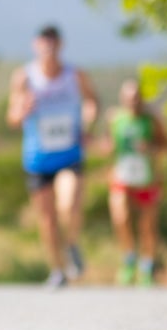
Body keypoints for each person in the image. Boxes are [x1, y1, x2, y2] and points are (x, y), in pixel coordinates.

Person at [6, 25, 98, 288]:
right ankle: (57, 269)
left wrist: (88, 122)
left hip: (69, 152)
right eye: (43, 45)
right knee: (47, 220)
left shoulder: (75, 75)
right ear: (36, 46)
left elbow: (92, 101)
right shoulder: (24, 76)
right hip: (38, 157)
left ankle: (71, 245)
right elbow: (11, 117)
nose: (48, 50)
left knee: (69, 206)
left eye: (52, 45)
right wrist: (22, 109)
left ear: (60, 46)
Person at [102, 78, 167, 286]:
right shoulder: (115, 119)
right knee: (120, 216)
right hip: (122, 177)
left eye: (136, 98)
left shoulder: (152, 120)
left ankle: (147, 266)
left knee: (147, 226)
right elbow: (110, 145)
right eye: (128, 99)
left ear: (142, 99)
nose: (133, 102)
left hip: (147, 179)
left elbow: (166, 146)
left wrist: (149, 149)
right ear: (122, 99)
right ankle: (129, 258)